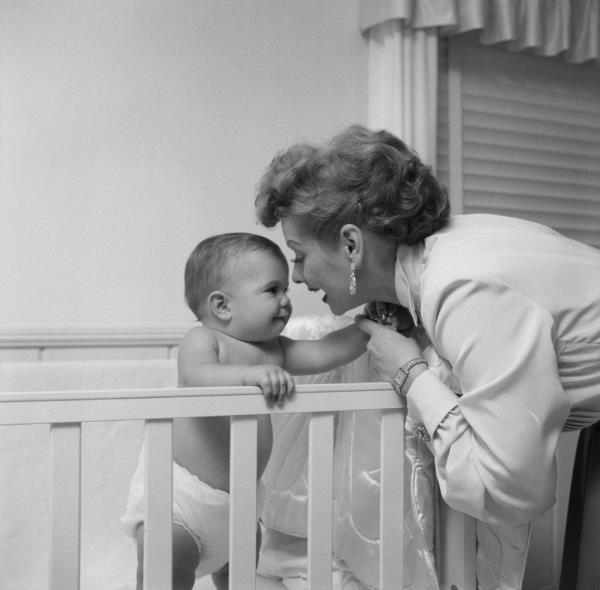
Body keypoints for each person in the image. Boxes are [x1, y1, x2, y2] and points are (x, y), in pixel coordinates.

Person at [254, 124, 600, 536]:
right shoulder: (446, 259)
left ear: (351, 245)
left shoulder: (463, 288)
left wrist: (410, 374)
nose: (295, 277)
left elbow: (512, 489)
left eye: (299, 255)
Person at [122, 232, 369, 590]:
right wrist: (249, 375)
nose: (286, 301)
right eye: (273, 290)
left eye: (286, 289)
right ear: (222, 306)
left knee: (240, 575)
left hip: (240, 502)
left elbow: (326, 352)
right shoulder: (204, 340)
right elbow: (196, 377)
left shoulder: (275, 349)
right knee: (167, 572)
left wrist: (369, 328)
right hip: (180, 502)